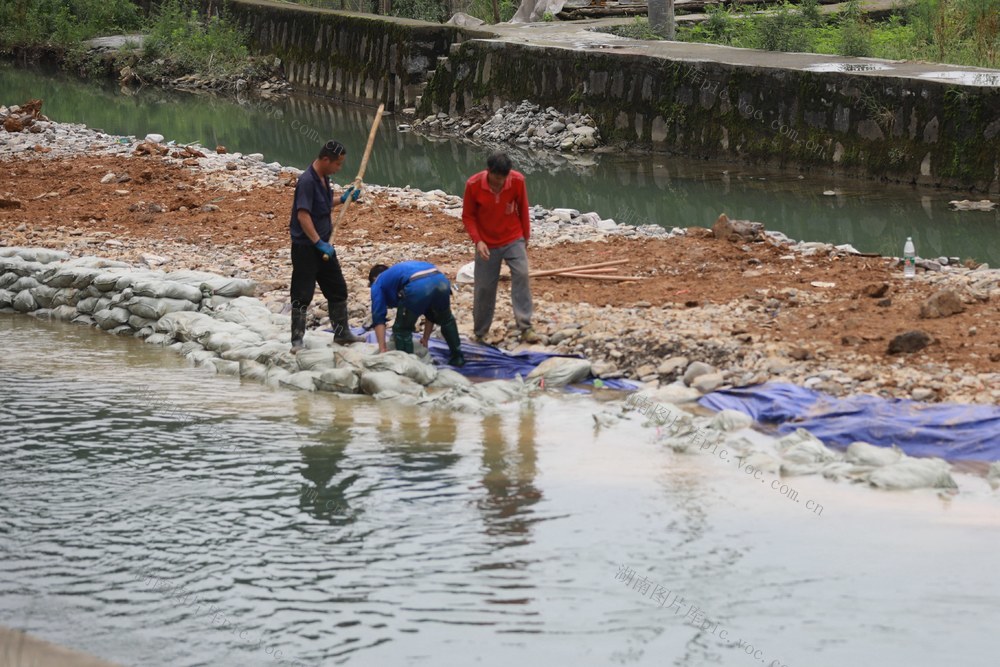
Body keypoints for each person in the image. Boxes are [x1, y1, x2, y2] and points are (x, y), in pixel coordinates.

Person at [288, 140, 365, 352]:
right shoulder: (307, 181)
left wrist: (344, 198)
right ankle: (297, 340)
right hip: (306, 247)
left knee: (337, 289)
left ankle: (342, 333)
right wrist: (317, 242)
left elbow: (323, 204)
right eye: (337, 164)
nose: (339, 168)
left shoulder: (324, 178)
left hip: (325, 245)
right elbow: (303, 215)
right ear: (325, 160)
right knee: (302, 294)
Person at [462, 151, 540, 344]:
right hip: (486, 243)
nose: (501, 182)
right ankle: (480, 332)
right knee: (484, 287)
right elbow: (468, 216)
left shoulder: (517, 181)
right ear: (489, 171)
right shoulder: (473, 184)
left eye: (504, 178)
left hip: (513, 238)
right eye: (497, 178)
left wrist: (525, 237)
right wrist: (478, 241)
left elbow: (523, 208)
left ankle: (525, 326)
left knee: (521, 274)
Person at [368, 262, 466, 367]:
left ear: (374, 278)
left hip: (417, 286)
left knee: (401, 330)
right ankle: (458, 357)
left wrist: (382, 348)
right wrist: (425, 339)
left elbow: (378, 317)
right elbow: (430, 313)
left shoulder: (377, 283)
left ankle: (409, 366)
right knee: (447, 320)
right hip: (440, 280)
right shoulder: (399, 273)